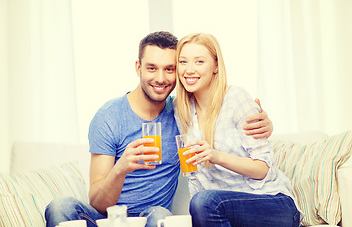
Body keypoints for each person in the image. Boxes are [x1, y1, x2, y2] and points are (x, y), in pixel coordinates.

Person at [45, 31, 273, 227]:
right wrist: (121, 168)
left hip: (152, 218)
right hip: (109, 220)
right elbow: (97, 202)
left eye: (169, 69)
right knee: (60, 207)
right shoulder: (108, 117)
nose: (161, 78)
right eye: (152, 68)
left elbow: (219, 110)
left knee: (162, 216)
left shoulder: (181, 113)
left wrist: (263, 120)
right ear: (138, 67)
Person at [174, 33, 300, 227]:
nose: (189, 70)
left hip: (272, 203)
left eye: (199, 61)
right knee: (200, 203)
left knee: (203, 202)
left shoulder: (236, 99)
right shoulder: (180, 109)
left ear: (216, 66)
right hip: (219, 209)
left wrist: (215, 156)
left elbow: (262, 169)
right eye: (183, 61)